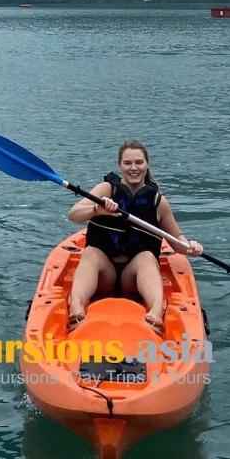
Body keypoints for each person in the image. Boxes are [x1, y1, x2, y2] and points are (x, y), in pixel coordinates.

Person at [66, 140, 203, 335]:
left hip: (134, 277)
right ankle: (76, 309)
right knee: (90, 252)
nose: (133, 168)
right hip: (105, 273)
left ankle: (156, 313)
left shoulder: (158, 202)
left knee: (147, 257)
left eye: (139, 162)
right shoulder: (106, 190)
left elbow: (177, 239)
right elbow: (74, 214)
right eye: (128, 163)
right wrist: (98, 209)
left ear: (147, 164)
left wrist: (190, 246)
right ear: (120, 165)